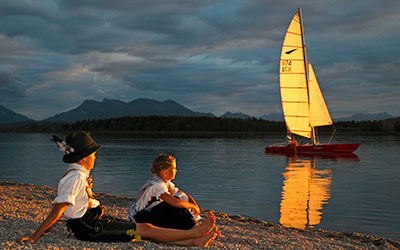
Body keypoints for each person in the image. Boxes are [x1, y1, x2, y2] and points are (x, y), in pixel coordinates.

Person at [16, 131, 219, 247]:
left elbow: (69, 206)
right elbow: (59, 208)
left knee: (138, 234)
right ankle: (195, 235)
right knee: (145, 230)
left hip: (94, 221)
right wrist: (36, 235)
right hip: (89, 227)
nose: (95, 157)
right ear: (85, 157)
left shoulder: (78, 174)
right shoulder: (76, 177)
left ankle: (194, 242)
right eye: (93, 154)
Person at [128, 154, 200, 230]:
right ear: (165, 172)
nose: (176, 171)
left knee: (181, 197)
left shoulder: (166, 182)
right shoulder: (156, 185)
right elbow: (174, 202)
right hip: (141, 218)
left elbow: (183, 194)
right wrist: (191, 206)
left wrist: (194, 204)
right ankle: (195, 229)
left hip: (151, 213)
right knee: (176, 204)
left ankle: (193, 226)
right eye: (174, 168)